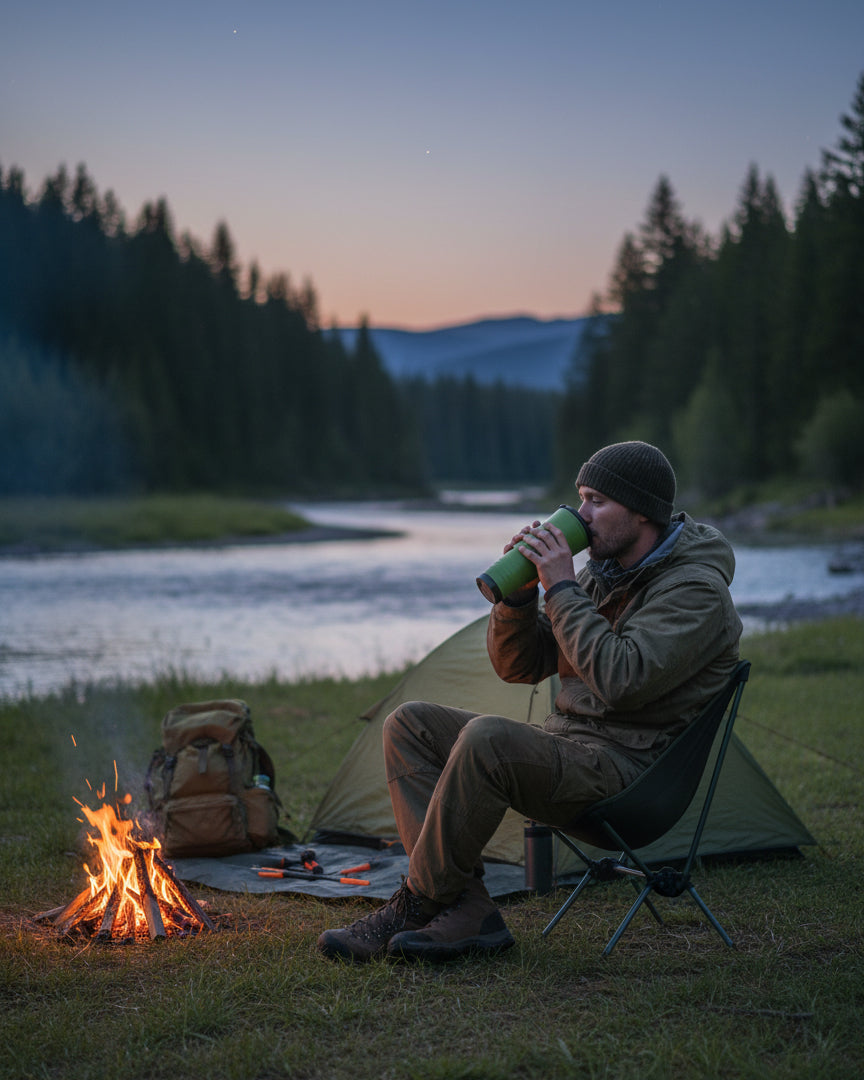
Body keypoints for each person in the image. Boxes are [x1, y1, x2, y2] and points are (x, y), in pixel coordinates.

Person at [317, 440, 742, 963]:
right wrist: (518, 601)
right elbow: (519, 666)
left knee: (488, 738)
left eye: (596, 501)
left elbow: (622, 679)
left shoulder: (696, 591)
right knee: (410, 724)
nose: (582, 515)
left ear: (641, 511)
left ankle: (416, 903)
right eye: (581, 498)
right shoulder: (604, 574)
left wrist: (561, 588)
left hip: (632, 773)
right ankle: (470, 911)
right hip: (571, 749)